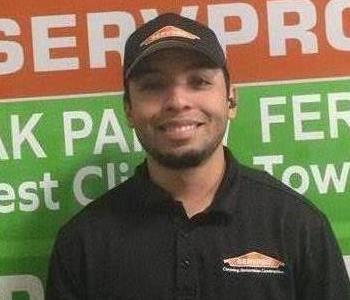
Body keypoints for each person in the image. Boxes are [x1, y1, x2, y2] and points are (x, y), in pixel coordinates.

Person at [46, 13, 350, 300]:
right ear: (128, 109)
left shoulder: (297, 225)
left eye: (199, 82)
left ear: (231, 99)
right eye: (153, 86)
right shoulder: (82, 242)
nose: (178, 101)